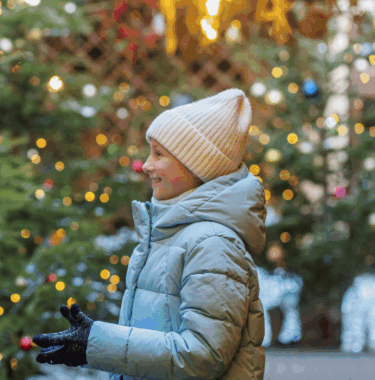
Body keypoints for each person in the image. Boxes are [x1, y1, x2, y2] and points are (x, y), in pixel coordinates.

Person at [33, 88, 266, 379]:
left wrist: (97, 343)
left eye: (159, 154)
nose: (146, 165)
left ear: (197, 166)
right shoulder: (170, 233)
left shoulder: (213, 244)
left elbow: (202, 354)